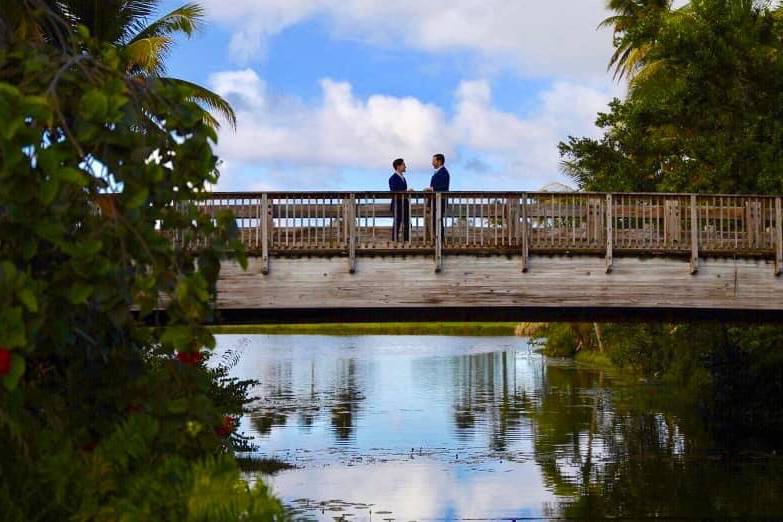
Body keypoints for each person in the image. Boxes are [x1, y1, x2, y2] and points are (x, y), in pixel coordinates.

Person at [426, 153, 450, 240]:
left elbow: (443, 187)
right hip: (434, 201)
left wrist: (432, 189)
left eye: (433, 161)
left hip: (440, 201)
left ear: (439, 161)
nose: (432, 163)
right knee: (435, 221)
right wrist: (429, 204)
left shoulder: (444, 172)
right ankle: (438, 239)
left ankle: (440, 239)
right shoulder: (437, 173)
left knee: (438, 221)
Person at [388, 158, 410, 241]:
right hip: (398, 204)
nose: (405, 166)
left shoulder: (403, 178)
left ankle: (406, 241)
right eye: (404, 165)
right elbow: (394, 191)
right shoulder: (393, 178)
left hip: (404, 204)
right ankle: (395, 241)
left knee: (407, 223)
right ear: (398, 166)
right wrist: (406, 192)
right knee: (397, 223)